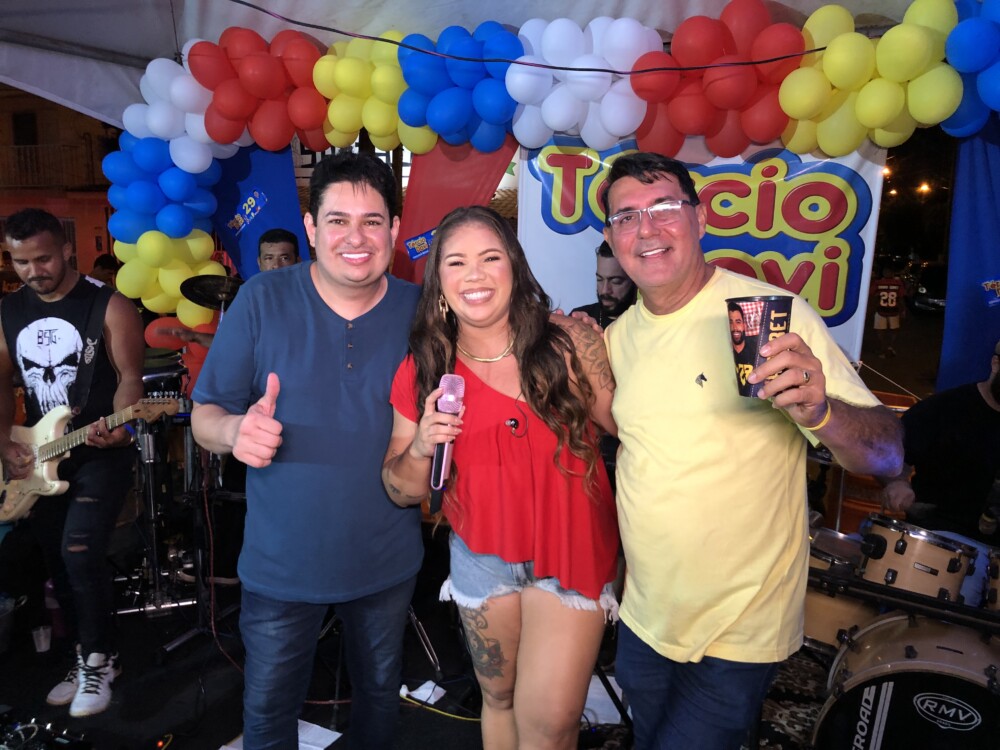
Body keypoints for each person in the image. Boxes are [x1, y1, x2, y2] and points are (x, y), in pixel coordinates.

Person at [600, 152, 904, 749]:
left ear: (700, 218)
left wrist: (821, 411)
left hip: (738, 627)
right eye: (626, 216)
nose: (646, 229)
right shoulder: (619, 338)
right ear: (612, 238)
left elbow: (886, 455)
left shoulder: (772, 318)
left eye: (664, 208)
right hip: (646, 618)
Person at [190, 151, 423, 750]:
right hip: (281, 567)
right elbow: (205, 417)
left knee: (379, 706)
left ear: (394, 230)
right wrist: (235, 432)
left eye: (372, 221)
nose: (356, 237)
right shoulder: (261, 300)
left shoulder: (422, 312)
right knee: (268, 718)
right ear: (312, 229)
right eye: (338, 220)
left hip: (386, 560)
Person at [381, 205, 619, 749]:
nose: (475, 274)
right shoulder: (424, 368)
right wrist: (420, 445)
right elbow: (399, 490)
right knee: (501, 699)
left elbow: (635, 431)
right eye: (456, 262)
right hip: (481, 558)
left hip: (571, 552)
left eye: (491, 258)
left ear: (514, 266)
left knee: (549, 724)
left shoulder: (568, 343)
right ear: (439, 283)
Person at [0, 208, 145, 717]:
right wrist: (4, 439)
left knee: (80, 551)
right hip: (40, 457)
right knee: (56, 560)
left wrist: (121, 423)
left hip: (99, 451)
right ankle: (86, 653)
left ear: (66, 250)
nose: (33, 271)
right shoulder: (8, 311)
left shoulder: (107, 304)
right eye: (20, 262)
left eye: (42, 259)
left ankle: (100, 659)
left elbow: (130, 377)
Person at [881, 339, 1000, 543]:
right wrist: (897, 483)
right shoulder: (945, 409)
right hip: (938, 539)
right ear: (996, 364)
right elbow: (888, 455)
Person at [570, 240, 636, 329]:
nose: (604, 290)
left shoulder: (649, 324)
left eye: (615, 281)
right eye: (599, 279)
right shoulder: (579, 320)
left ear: (635, 279)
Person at [870, 266, 906, 357]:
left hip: (881, 309)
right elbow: (901, 297)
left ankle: (883, 347)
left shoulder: (878, 283)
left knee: (880, 330)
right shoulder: (898, 283)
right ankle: (890, 346)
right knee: (894, 330)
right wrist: (903, 309)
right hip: (894, 310)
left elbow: (871, 294)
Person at [728, 300, 757, 392]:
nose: (734, 327)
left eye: (738, 322)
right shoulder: (722, 349)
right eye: (731, 322)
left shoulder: (756, 348)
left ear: (744, 325)